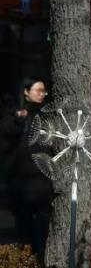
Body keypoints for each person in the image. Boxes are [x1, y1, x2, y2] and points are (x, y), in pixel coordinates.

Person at [0, 77, 53, 258]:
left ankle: (41, 259)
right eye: (38, 90)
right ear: (26, 91)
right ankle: (27, 263)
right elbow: (5, 139)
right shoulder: (15, 115)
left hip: (43, 182)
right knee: (24, 228)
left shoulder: (47, 115)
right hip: (21, 183)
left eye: (44, 91)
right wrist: (17, 120)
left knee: (43, 228)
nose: (41, 94)